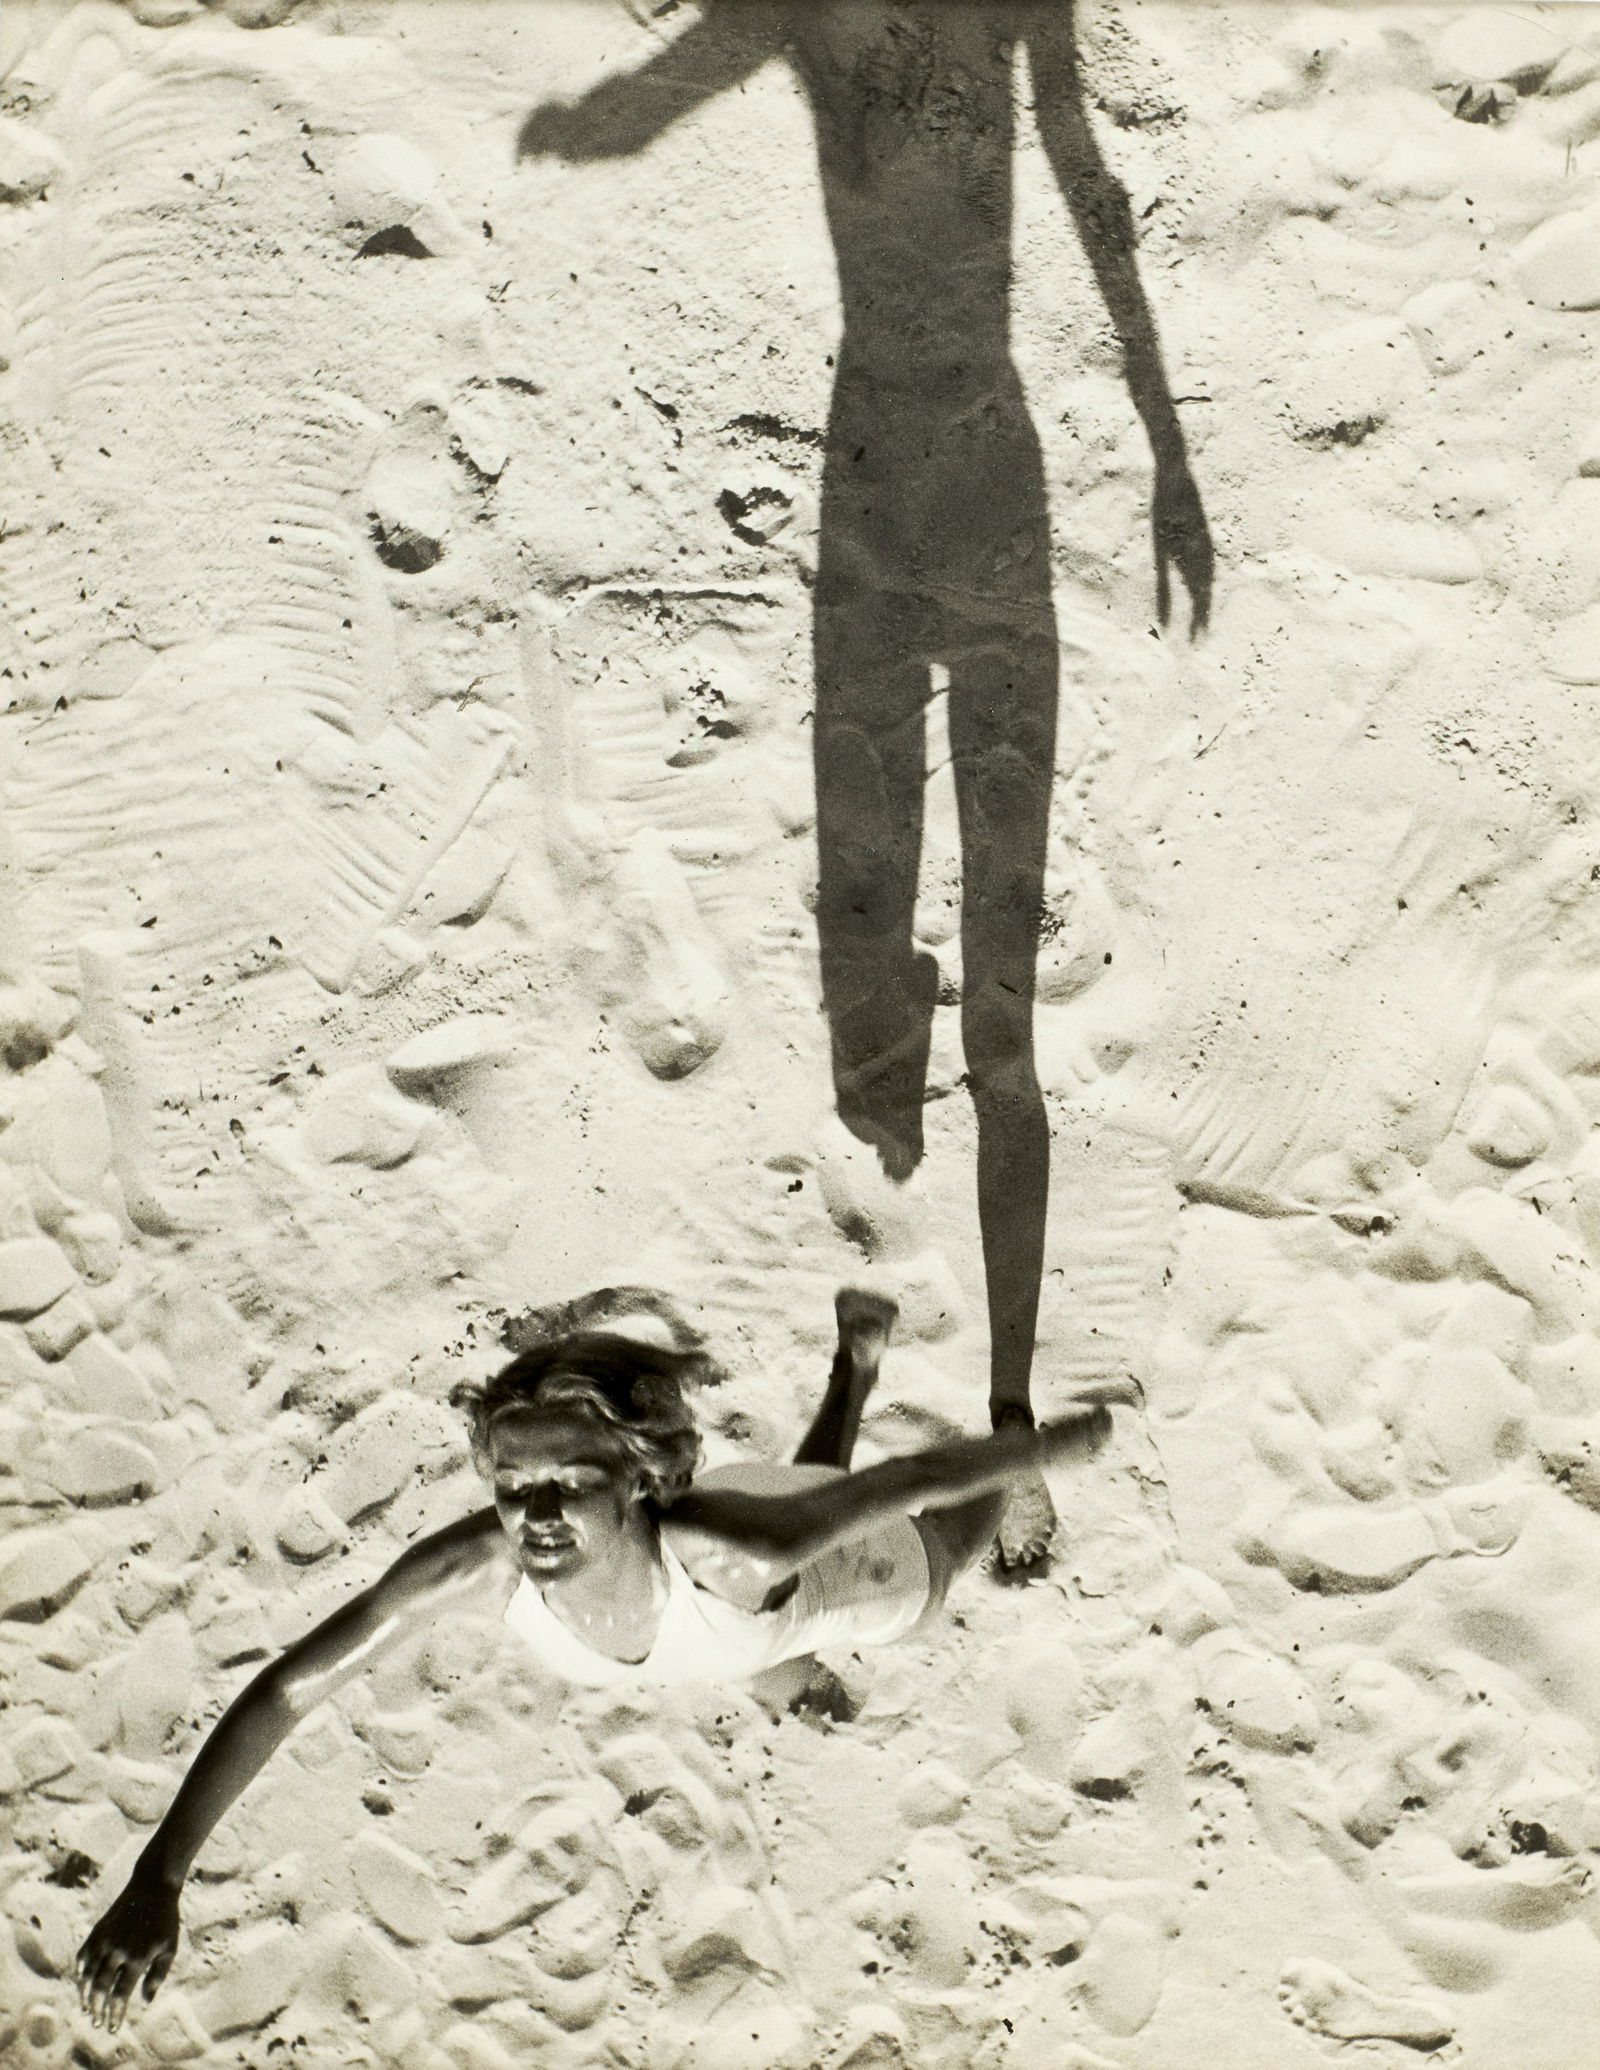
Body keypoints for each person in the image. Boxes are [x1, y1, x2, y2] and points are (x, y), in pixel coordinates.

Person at [518, 1, 1211, 1568]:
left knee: (1008, 1005)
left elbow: (1078, 158)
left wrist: (1168, 449)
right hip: (888, 478)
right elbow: (663, 86)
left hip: (953, 468)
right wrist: (599, 117)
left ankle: (1014, 1410)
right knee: (891, 968)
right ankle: (924, 1303)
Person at [75, 1287, 1138, 2032]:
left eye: (566, 1487)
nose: (531, 1518)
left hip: (832, 1575)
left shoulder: (738, 1545)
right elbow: (291, 1687)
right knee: (760, 1616)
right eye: (511, 1487)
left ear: (633, 1479)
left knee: (928, 1551)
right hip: (735, 1606)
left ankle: (996, 1421)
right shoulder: (476, 1566)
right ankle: (850, 1370)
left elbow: (894, 1491)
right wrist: (159, 1875)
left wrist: (1032, 1450)